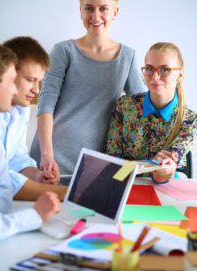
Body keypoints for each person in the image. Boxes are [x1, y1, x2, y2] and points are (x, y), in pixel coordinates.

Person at [30, 0, 146, 178]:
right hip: (52, 157)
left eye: (103, 9)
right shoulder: (63, 51)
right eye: (89, 8)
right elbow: (46, 104)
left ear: (114, 13)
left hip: (95, 162)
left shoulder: (127, 57)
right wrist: (47, 155)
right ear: (81, 12)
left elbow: (142, 109)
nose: (95, 16)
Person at [106, 42, 197, 183]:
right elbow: (113, 160)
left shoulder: (190, 120)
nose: (155, 77)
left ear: (180, 74)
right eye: (149, 69)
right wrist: (136, 171)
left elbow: (166, 169)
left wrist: (162, 171)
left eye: (164, 70)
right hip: (123, 182)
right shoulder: (124, 106)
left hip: (165, 187)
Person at [0, 42, 61, 240]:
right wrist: (35, 214)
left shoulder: (18, 109)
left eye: (39, 82)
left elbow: (13, 161)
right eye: (30, 80)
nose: (36, 90)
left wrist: (36, 175)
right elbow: (3, 178)